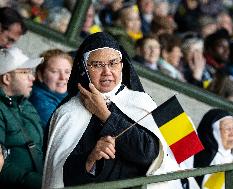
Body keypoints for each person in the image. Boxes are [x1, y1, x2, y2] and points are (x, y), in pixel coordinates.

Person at [43, 32, 185, 189]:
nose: (107, 72)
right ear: (84, 68)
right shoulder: (69, 112)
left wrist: (105, 115)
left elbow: (149, 155)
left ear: (122, 65)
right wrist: (90, 160)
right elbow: (59, 177)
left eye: (113, 63)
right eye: (97, 65)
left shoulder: (140, 102)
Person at [0, 47, 44, 189]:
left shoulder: (27, 106)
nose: (33, 77)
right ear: (6, 78)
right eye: (25, 72)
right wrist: (38, 183)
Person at [193, 109, 233, 189]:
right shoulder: (202, 160)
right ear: (213, 132)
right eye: (227, 128)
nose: (232, 134)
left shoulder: (232, 161)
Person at [29, 49, 73, 129]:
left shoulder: (66, 95)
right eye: (54, 71)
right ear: (40, 75)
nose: (63, 77)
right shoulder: (40, 101)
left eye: (67, 72)